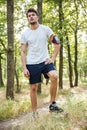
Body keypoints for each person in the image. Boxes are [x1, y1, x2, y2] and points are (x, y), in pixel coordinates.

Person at [20, 8, 63, 117]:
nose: (31, 17)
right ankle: (35, 113)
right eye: (29, 16)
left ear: (37, 17)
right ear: (27, 19)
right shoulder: (25, 34)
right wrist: (24, 68)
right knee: (33, 88)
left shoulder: (46, 29)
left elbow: (57, 43)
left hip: (45, 61)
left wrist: (53, 58)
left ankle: (52, 104)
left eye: (33, 15)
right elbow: (23, 51)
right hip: (32, 63)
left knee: (54, 76)